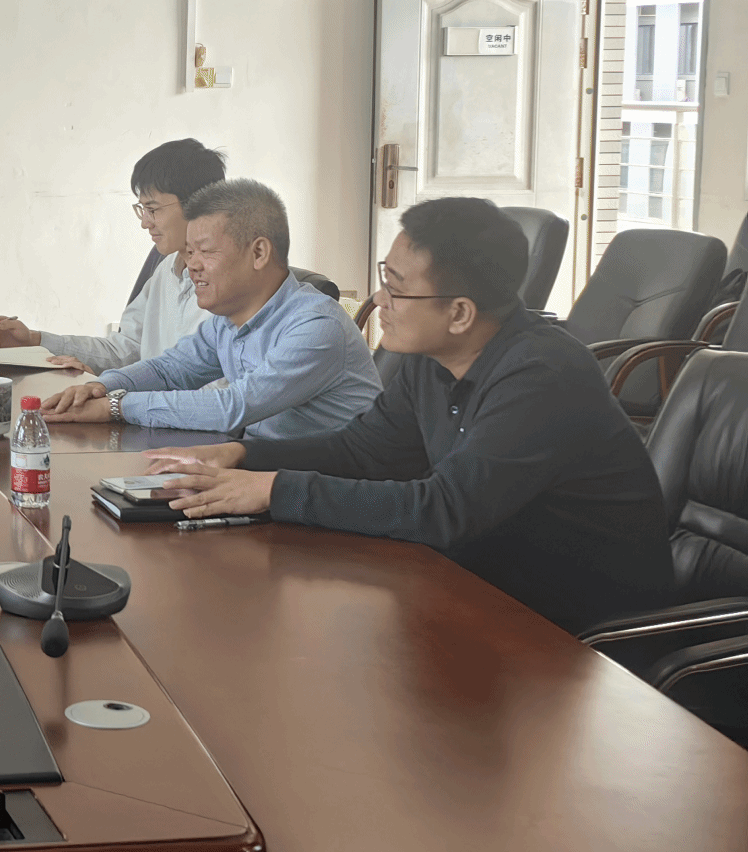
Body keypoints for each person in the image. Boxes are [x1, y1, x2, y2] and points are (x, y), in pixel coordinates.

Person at [147, 198, 675, 634]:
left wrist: (274, 488)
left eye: (397, 289)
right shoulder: (434, 356)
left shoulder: (543, 375)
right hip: (480, 588)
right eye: (386, 277)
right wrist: (243, 454)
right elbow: (364, 450)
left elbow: (445, 510)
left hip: (582, 632)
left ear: (459, 313)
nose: (380, 299)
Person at [43, 178, 378, 437]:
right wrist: (100, 386)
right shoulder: (227, 321)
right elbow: (169, 371)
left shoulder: (317, 326)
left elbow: (234, 406)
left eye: (205, 251)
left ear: (259, 253)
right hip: (265, 471)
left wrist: (116, 405)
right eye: (190, 252)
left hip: (329, 490)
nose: (192, 265)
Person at [0, 138, 225, 371]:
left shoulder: (229, 286)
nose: (145, 223)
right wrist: (35, 340)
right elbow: (124, 350)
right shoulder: (166, 270)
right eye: (142, 210)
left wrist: (113, 388)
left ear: (198, 203)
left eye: (152, 209)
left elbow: (213, 390)